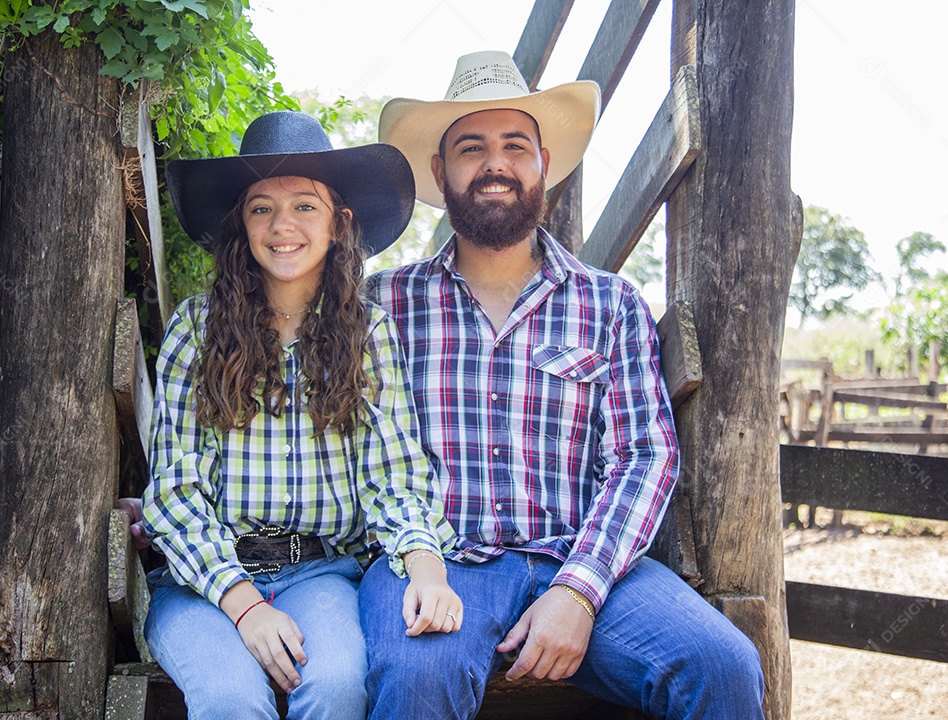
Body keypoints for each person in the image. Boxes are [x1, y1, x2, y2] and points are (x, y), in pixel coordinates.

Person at [358, 51, 765, 719]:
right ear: (440, 171)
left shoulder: (610, 305)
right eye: (471, 148)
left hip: (584, 556)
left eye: (515, 145)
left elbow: (644, 455)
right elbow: (327, 437)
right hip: (434, 562)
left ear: (544, 162)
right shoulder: (383, 305)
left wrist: (578, 591)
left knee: (721, 665)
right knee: (415, 677)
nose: (495, 164)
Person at [141, 110, 461, 720]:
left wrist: (426, 564)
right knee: (232, 698)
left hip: (320, 575)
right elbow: (174, 491)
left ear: (340, 224)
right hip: (204, 582)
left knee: (337, 686)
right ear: (241, 223)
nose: (282, 225)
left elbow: (393, 473)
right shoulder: (197, 329)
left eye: (305, 207)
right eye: (261, 207)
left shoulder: (369, 335)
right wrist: (244, 603)